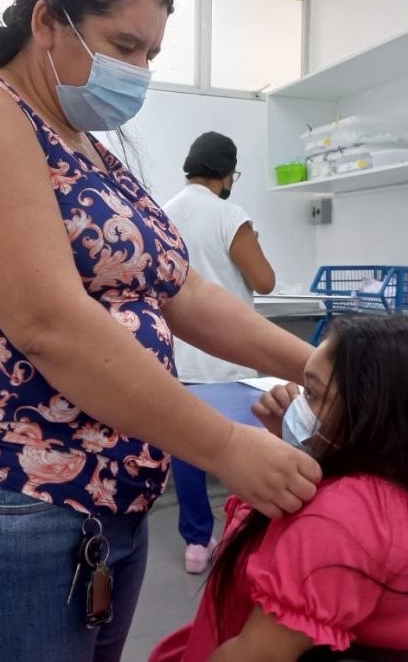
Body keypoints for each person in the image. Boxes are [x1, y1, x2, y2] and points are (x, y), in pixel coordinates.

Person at [0, 0, 321, 662]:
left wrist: (313, 366)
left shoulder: (93, 151)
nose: (141, 71)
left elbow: (181, 291)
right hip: (8, 505)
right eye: (125, 47)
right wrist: (225, 446)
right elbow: (49, 324)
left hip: (109, 511)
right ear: (48, 21)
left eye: (151, 54)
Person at [150, 314, 408, 662]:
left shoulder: (342, 519)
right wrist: (289, 447)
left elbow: (255, 655)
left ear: (372, 411)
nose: (296, 403)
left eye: (312, 392)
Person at [163, 132, 277, 573]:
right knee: (246, 451)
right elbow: (264, 281)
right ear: (227, 174)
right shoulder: (230, 214)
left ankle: (196, 544)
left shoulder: (163, 213)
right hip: (229, 360)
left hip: (180, 360)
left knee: (189, 451)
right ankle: (243, 537)